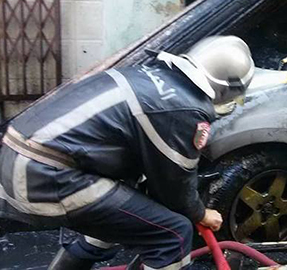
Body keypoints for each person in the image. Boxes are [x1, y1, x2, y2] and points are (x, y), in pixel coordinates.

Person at [0, 36, 255, 270]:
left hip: (21, 161)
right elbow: (175, 185)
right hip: (47, 175)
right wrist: (201, 213)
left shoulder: (150, 76)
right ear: (226, 89)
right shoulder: (183, 107)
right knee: (173, 234)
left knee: (113, 224)